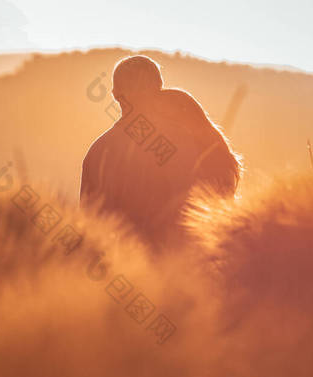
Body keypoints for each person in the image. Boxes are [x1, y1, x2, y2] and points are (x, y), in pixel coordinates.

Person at [80, 55, 241, 242]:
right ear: (159, 89)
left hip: (118, 260)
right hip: (175, 261)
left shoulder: (97, 152)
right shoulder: (183, 140)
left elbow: (88, 225)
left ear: (115, 94)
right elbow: (197, 206)